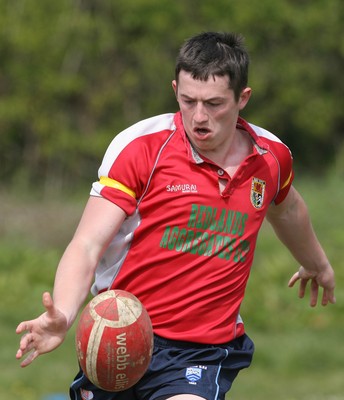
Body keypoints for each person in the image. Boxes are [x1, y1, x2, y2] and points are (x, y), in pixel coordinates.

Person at [16, 32, 335, 400]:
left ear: (242, 98)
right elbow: (87, 244)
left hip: (201, 350)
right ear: (175, 91)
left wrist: (316, 263)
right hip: (122, 335)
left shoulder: (270, 158)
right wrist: (65, 314)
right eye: (188, 101)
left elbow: (288, 208)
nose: (199, 117)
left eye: (214, 104)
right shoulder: (142, 148)